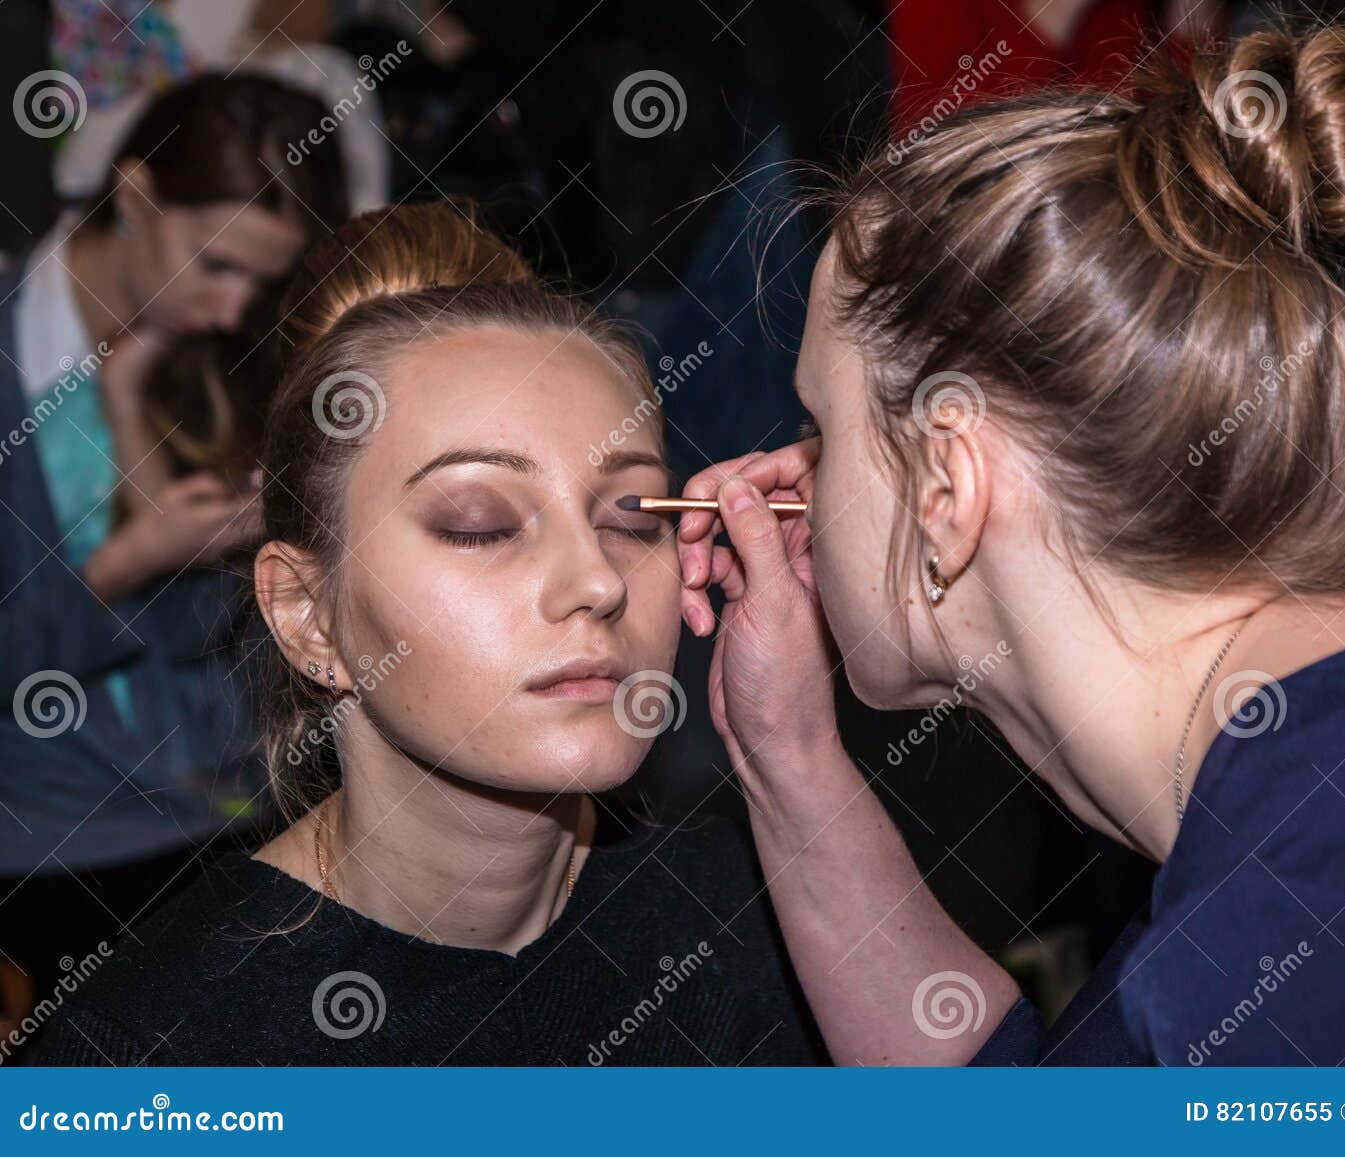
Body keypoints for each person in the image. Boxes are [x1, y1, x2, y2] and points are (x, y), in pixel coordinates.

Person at [675, 25, 1345, 1065]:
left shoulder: (1295, 961)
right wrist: (785, 754)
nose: (793, 474)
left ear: (947, 489)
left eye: (822, 427)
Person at [23, 202, 820, 1066]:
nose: (596, 579)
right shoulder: (136, 1062)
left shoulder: (776, 912)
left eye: (633, 517)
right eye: (479, 525)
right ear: (306, 612)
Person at [0, 72, 346, 1018]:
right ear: (135, 193)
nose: (235, 307)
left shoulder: (237, 351)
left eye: (260, 278)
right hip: (56, 828)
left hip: (233, 801)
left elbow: (232, 649)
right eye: (214, 262)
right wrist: (131, 557)